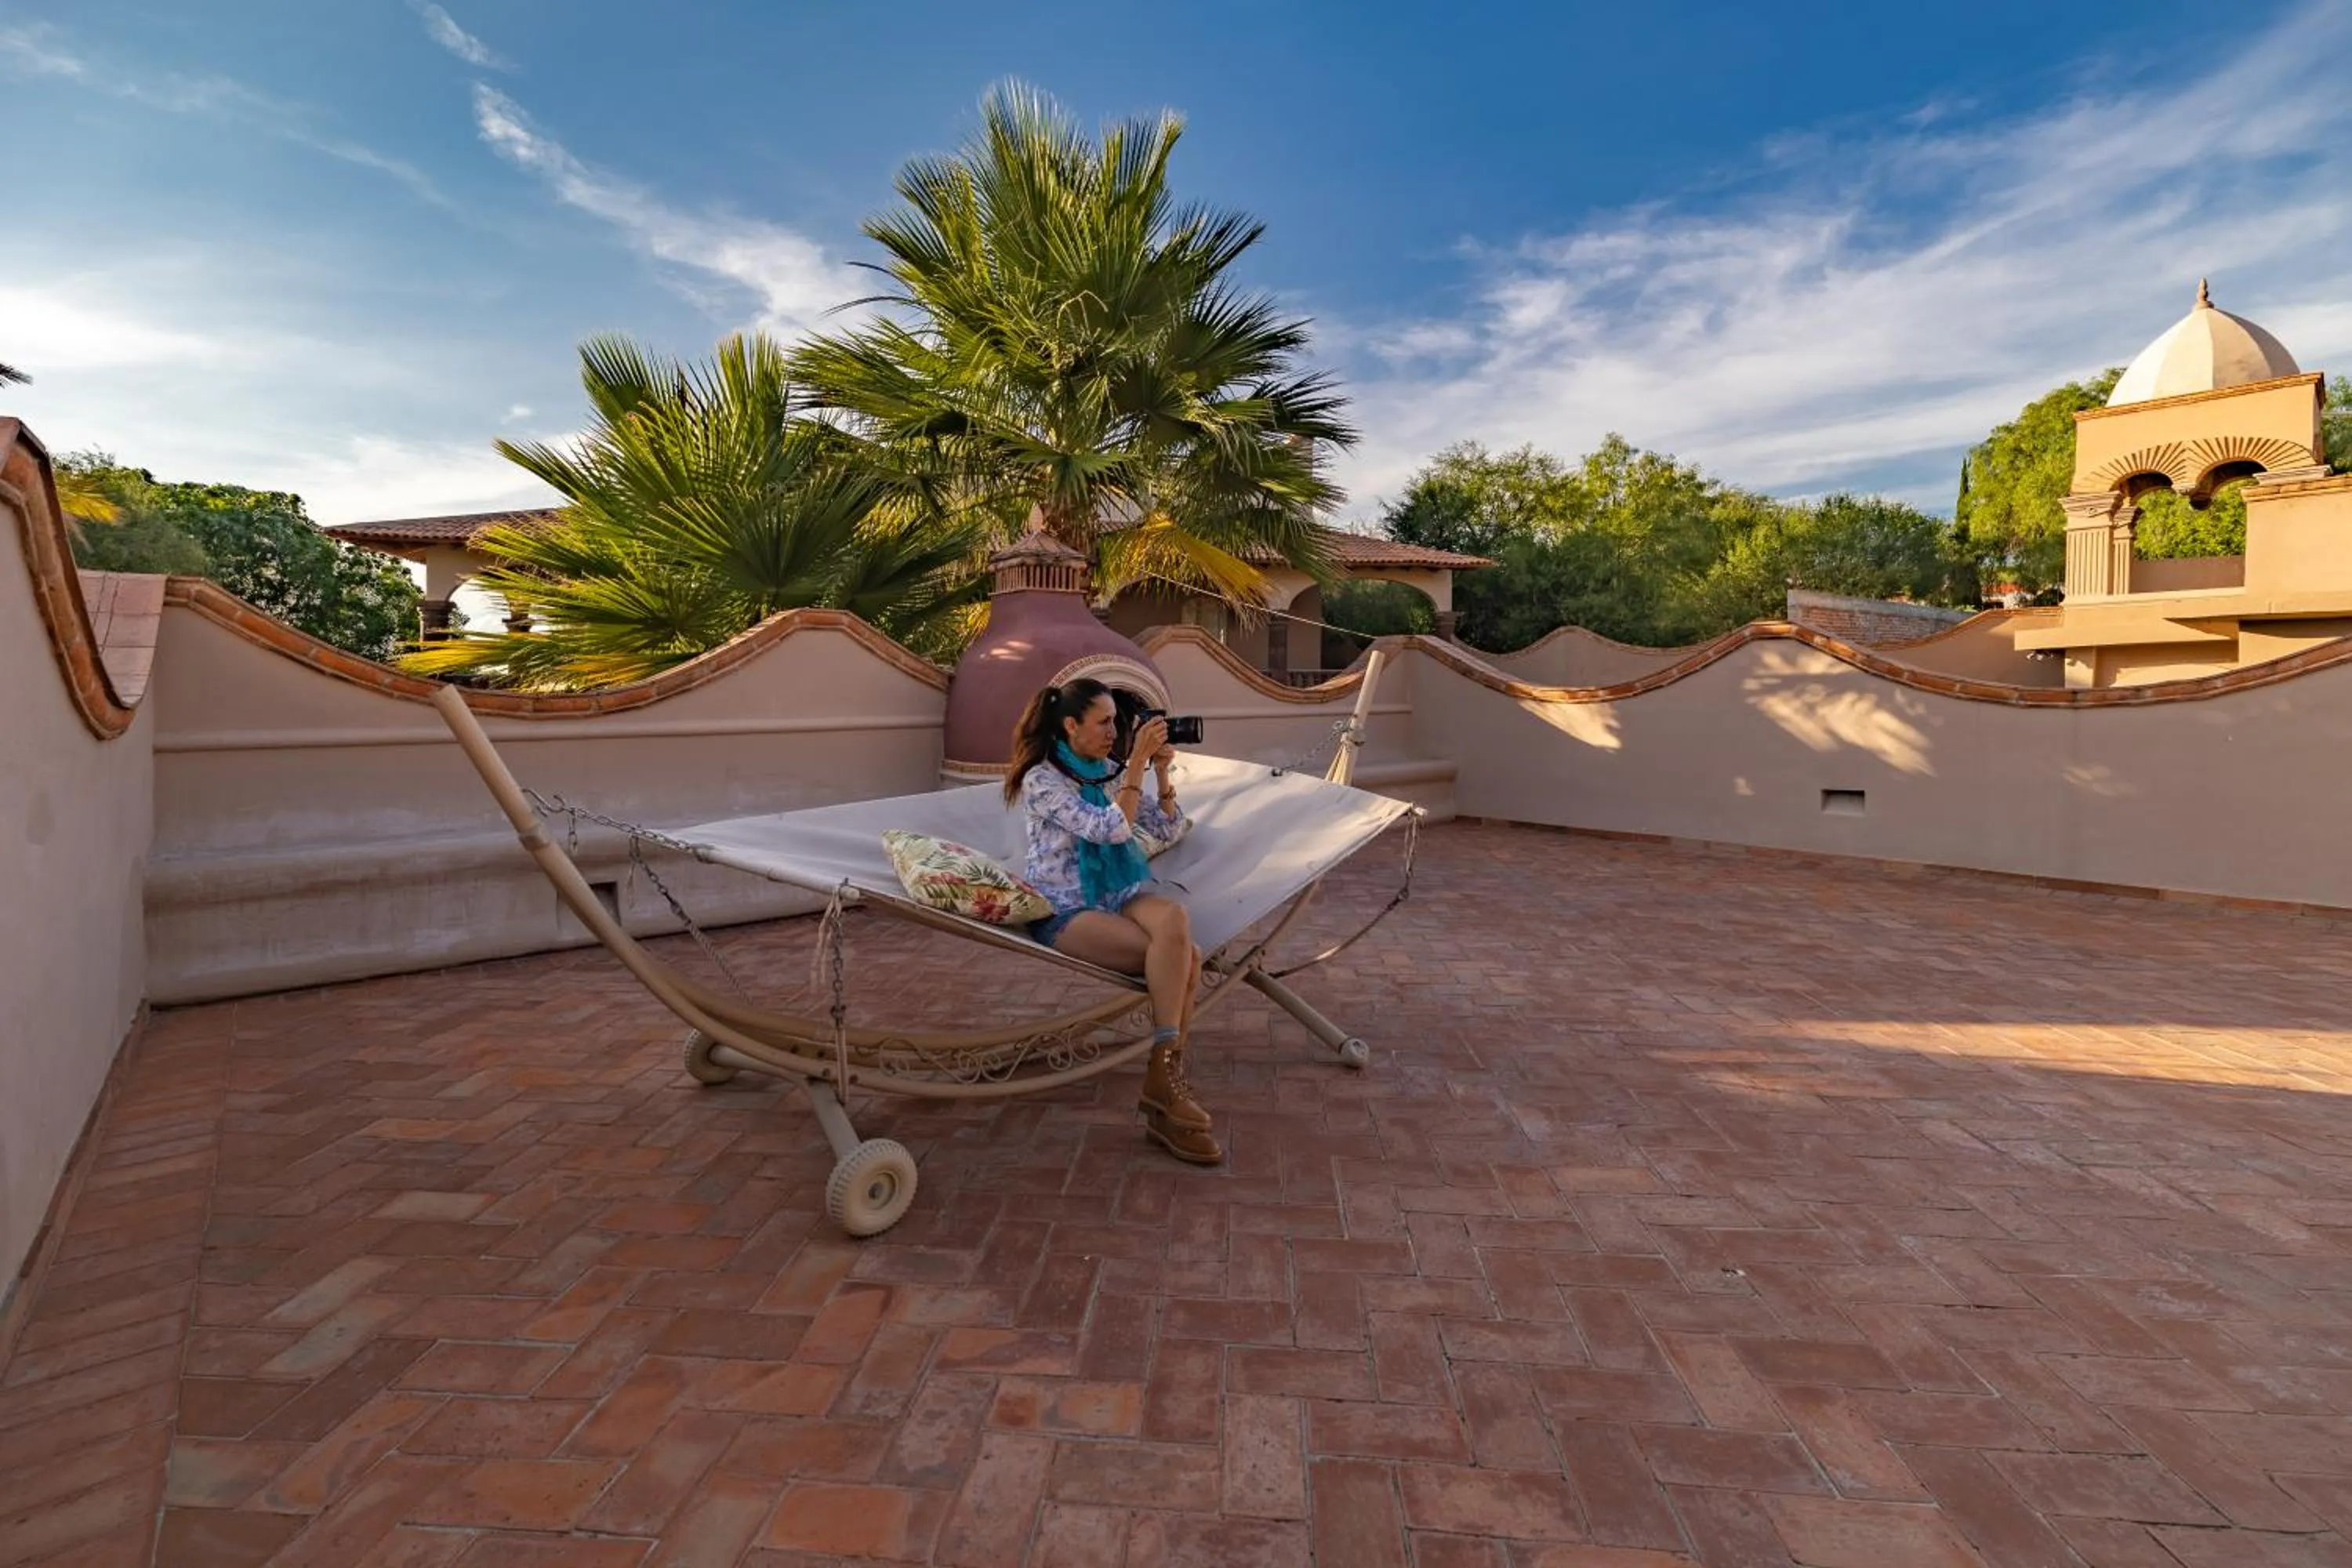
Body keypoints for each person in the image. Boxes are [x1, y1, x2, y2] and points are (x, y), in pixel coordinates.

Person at [1004, 679, 1218, 1165]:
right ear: (1070, 725)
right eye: (1104, 722)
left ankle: (1163, 1084)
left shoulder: (1106, 770)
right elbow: (1109, 829)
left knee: (1176, 922)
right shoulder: (1044, 780)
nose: (1114, 732)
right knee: (1186, 959)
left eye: (1117, 723)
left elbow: (1166, 826)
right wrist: (1137, 763)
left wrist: (1162, 774)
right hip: (1066, 907)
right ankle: (1167, 1094)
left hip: (1117, 894)